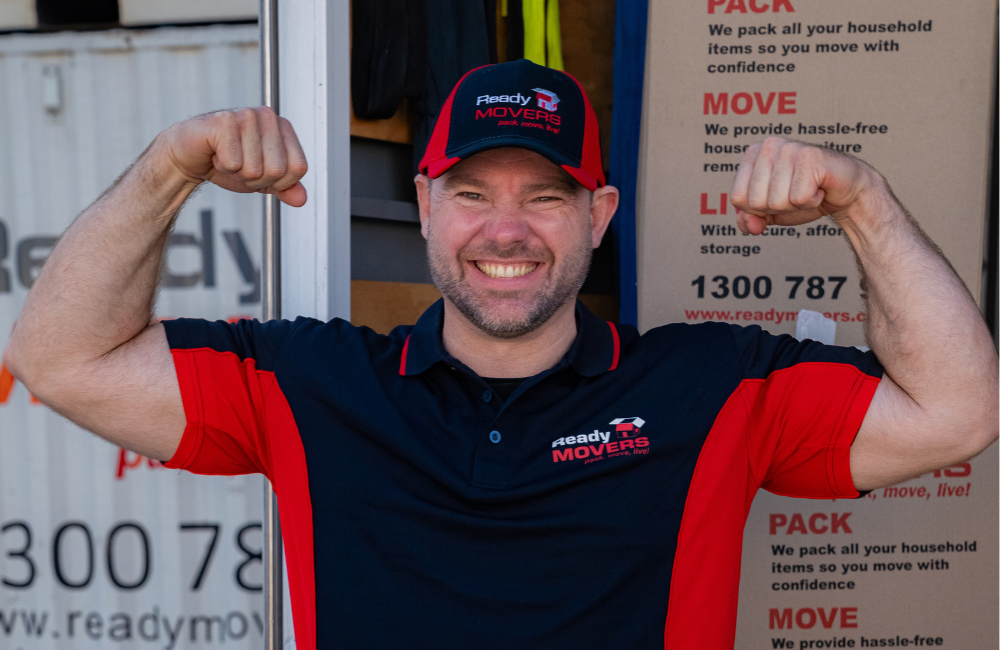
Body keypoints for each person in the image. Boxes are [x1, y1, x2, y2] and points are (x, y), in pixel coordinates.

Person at [3, 59, 996, 649]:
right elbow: (61, 357)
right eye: (473, 193)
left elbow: (958, 411)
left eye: (547, 194)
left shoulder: (713, 383)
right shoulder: (310, 384)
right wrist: (171, 167)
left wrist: (861, 201)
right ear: (427, 204)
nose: (506, 229)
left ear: (599, 214)